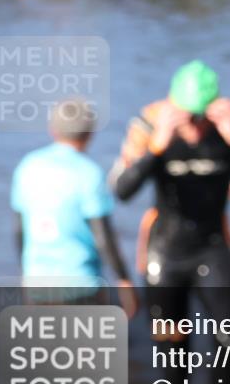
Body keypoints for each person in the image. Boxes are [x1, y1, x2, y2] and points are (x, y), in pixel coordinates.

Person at [108, 60, 230, 384]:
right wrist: (156, 148)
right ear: (173, 104)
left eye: (202, 118)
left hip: (212, 246)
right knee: (172, 351)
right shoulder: (150, 124)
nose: (196, 128)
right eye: (189, 118)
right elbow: (121, 190)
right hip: (164, 252)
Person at [11, 98, 137, 316]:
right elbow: (103, 236)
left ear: (53, 130)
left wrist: (24, 273)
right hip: (81, 283)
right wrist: (124, 281)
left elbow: (20, 230)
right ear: (90, 134)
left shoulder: (28, 166)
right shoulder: (89, 174)